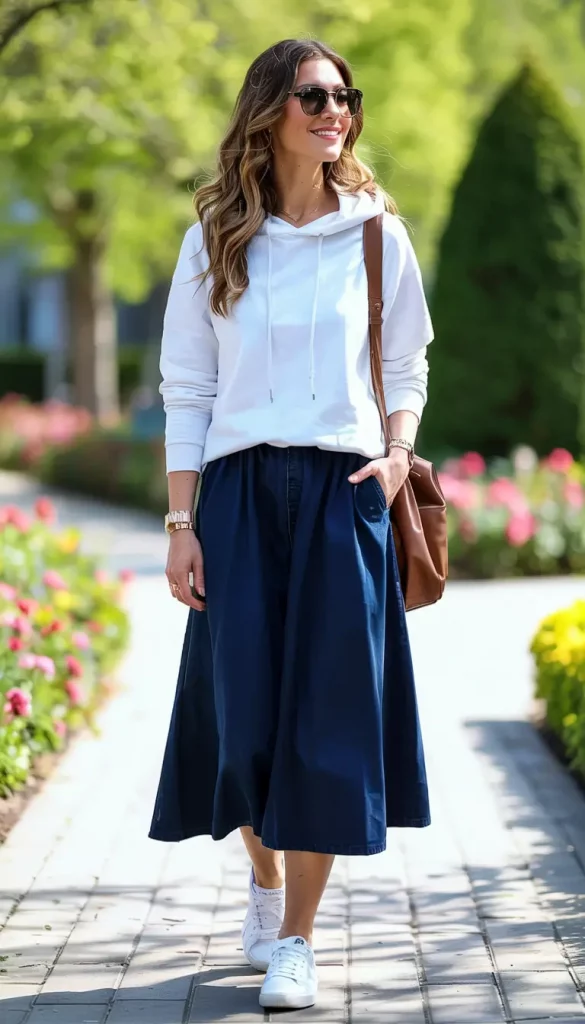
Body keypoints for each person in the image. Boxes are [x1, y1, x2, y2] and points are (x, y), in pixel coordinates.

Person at [149, 37, 433, 1012]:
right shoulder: (217, 238)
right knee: (243, 723)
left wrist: (396, 458)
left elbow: (409, 364)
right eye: (315, 94)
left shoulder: (375, 234)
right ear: (269, 108)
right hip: (232, 497)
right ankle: (264, 882)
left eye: (346, 96)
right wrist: (181, 520)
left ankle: (298, 941)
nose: (335, 110)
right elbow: (186, 387)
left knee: (328, 723)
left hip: (341, 490)